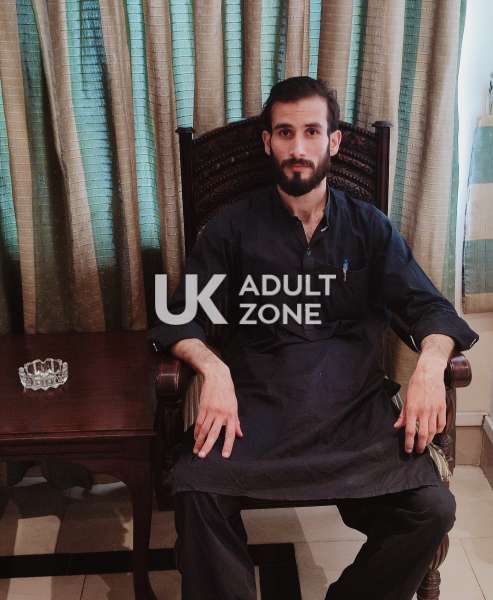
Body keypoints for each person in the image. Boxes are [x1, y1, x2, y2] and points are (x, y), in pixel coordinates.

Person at [150, 76, 479, 600]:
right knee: (196, 492)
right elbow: (180, 318)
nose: (298, 147)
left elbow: (430, 308)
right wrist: (213, 369)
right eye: (285, 132)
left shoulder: (368, 228)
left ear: (334, 141)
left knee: (430, 510)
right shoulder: (233, 229)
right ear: (268, 142)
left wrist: (430, 364)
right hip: (255, 412)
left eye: (311, 132)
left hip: (353, 416)